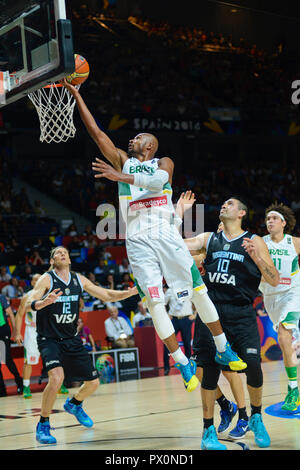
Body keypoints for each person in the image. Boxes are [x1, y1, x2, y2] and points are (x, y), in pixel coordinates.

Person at [63, 79, 247, 395]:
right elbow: (97, 134)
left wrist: (120, 177)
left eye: (139, 137)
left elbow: (158, 180)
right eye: (132, 137)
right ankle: (181, 361)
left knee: (199, 291)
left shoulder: (164, 162)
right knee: (155, 301)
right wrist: (78, 95)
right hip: (137, 240)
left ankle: (222, 347)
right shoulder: (121, 159)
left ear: (150, 145)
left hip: (165, 233)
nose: (132, 139)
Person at [180, 192, 279, 450]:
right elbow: (174, 245)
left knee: (253, 366)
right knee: (208, 371)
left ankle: (255, 417)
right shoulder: (208, 239)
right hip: (211, 313)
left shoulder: (254, 240)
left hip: (241, 311)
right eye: (223, 203)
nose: (224, 204)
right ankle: (207, 431)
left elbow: (274, 279)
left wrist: (256, 257)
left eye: (230, 203)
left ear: (241, 213)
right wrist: (178, 213)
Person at [25, 245, 138, 445]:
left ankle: (75, 404)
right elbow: (29, 302)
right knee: (56, 378)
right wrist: (44, 302)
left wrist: (129, 293)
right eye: (57, 253)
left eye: (65, 253)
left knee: (94, 382)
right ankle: (43, 424)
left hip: (71, 338)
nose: (62, 254)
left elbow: (106, 295)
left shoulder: (78, 279)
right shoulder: (47, 279)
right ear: (52, 261)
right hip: (49, 339)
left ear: (69, 260)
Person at [260, 203, 300, 412]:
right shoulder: (260, 243)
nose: (270, 222)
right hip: (270, 297)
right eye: (267, 219)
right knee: (284, 341)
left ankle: (293, 389)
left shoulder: (293, 242)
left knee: (284, 336)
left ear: (284, 223)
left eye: (274, 218)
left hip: (291, 294)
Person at [15, 274, 42, 399]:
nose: (37, 281)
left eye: (40, 279)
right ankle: (26, 387)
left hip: (46, 330)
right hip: (31, 330)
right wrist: (17, 332)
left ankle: (59, 385)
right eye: (35, 279)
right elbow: (19, 315)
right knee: (28, 361)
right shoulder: (27, 296)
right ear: (31, 282)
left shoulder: (49, 295)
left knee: (53, 359)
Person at [163, 286, 195, 376]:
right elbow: (163, 304)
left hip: (186, 319)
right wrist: (166, 315)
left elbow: (197, 301)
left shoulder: (188, 288)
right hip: (174, 320)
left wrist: (195, 314)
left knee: (187, 344)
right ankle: (166, 367)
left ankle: (189, 366)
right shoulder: (170, 290)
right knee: (168, 344)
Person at [0, 293, 23, 396]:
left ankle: (20, 383)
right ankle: (2, 390)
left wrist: (15, 331)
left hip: (2, 330)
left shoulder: (0, 297)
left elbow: (10, 313)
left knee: (7, 359)